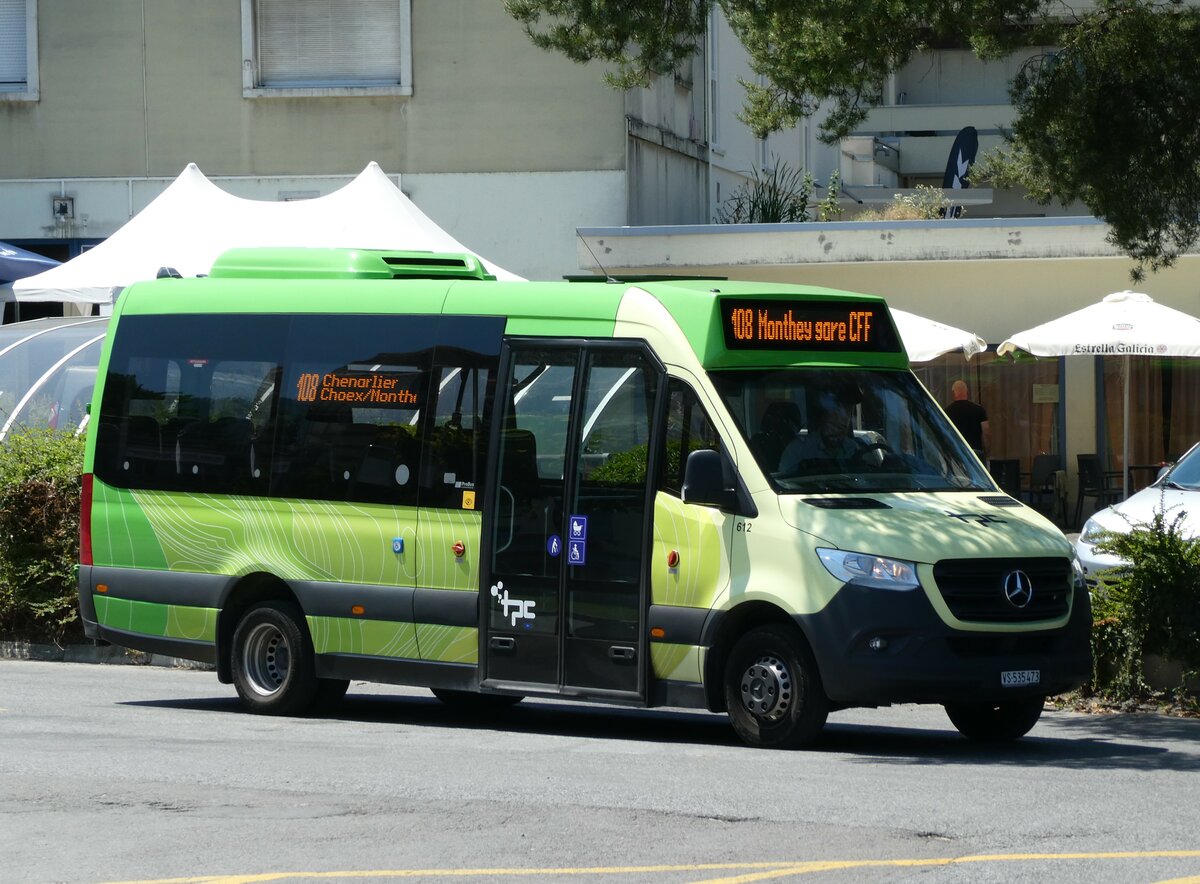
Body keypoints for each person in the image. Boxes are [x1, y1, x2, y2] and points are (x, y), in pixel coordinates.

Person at [778, 382, 875, 473]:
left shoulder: (853, 450)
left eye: (848, 410)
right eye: (836, 409)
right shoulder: (797, 451)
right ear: (822, 413)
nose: (842, 419)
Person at [946, 379, 989, 461]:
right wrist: (986, 451)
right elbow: (986, 431)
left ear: (953, 393)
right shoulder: (979, 410)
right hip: (976, 451)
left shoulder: (947, 412)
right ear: (967, 392)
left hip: (956, 452)